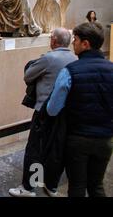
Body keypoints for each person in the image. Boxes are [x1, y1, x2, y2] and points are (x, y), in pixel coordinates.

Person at [47, 22, 113, 197]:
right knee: (97, 185)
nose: (72, 43)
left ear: (86, 44)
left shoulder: (70, 71)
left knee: (76, 186)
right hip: (105, 139)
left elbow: (53, 109)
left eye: (75, 39)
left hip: (78, 139)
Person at [9, 28, 77, 197]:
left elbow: (28, 76)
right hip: (64, 112)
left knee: (35, 149)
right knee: (56, 149)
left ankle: (28, 188)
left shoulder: (49, 58)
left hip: (45, 111)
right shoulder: (74, 58)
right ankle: (50, 185)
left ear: (54, 41)